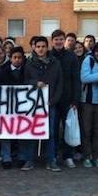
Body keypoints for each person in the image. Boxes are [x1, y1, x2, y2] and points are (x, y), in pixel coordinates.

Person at [22, 37, 63, 171]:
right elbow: (24, 81)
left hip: (50, 103)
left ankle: (51, 160)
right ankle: (29, 160)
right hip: (33, 104)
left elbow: (59, 83)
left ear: (47, 47)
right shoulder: (28, 63)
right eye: (38, 46)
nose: (40, 49)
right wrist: (35, 83)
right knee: (31, 131)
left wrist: (54, 100)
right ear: (34, 48)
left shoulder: (55, 63)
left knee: (50, 132)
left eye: (43, 46)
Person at [50, 29, 81, 169]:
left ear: (64, 41)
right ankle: (54, 155)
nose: (58, 41)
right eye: (56, 39)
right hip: (52, 100)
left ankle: (68, 156)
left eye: (61, 39)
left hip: (68, 99)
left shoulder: (71, 56)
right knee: (53, 129)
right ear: (52, 41)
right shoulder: (48, 55)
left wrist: (75, 100)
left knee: (69, 129)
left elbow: (76, 79)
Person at [79, 42, 98, 168]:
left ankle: (97, 156)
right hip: (87, 101)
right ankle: (87, 156)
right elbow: (85, 78)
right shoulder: (88, 60)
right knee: (86, 131)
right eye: (97, 51)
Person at [0, 46, 25, 169]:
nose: (17, 60)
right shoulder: (3, 71)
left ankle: (21, 157)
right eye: (15, 57)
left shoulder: (26, 70)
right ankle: (6, 157)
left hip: (23, 106)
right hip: (6, 106)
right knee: (6, 131)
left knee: (21, 131)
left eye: (20, 57)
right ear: (10, 58)